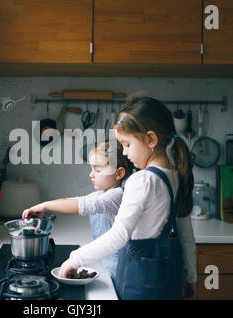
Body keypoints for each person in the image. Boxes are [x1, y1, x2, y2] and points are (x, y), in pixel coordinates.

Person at [57, 96, 197, 300]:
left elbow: (118, 236)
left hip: (140, 281)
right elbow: (186, 236)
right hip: (169, 279)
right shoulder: (176, 175)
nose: (123, 152)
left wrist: (74, 260)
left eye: (127, 144)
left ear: (150, 139)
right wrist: (191, 277)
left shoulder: (142, 180)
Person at [22, 141, 133, 282]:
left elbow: (83, 205)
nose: (91, 175)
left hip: (119, 270)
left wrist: (44, 206)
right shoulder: (101, 194)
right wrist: (46, 206)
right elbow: (75, 200)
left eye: (98, 170)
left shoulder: (118, 195)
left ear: (119, 173)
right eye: (91, 169)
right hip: (104, 263)